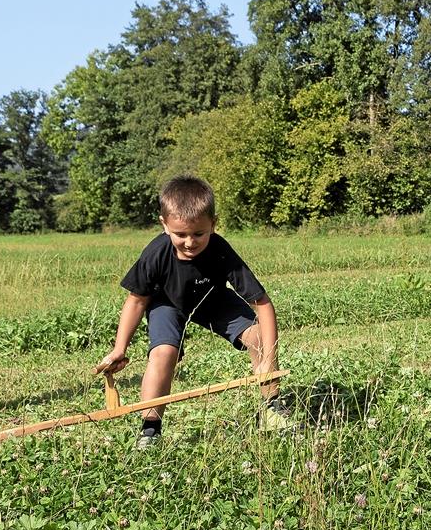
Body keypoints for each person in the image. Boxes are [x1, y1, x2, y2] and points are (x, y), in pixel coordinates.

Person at [98, 176, 293, 448]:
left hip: (213, 300)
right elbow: (136, 301)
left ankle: (272, 408)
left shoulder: (221, 250)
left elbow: (262, 303)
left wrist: (269, 358)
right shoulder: (155, 254)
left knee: (260, 338)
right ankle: (150, 428)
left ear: (212, 224)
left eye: (199, 234)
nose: (190, 242)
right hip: (167, 303)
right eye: (181, 234)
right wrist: (120, 348)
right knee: (163, 353)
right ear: (164, 225)